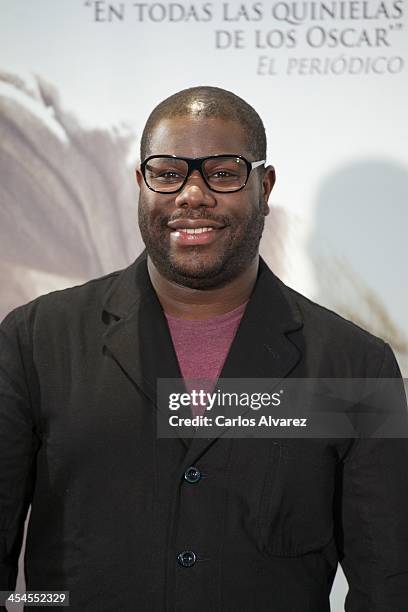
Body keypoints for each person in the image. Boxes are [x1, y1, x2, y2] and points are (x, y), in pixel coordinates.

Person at [0, 86, 407, 612]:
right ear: (140, 185)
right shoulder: (35, 340)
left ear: (265, 186)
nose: (192, 194)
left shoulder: (357, 365)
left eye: (222, 172)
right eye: (168, 173)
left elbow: (390, 583)